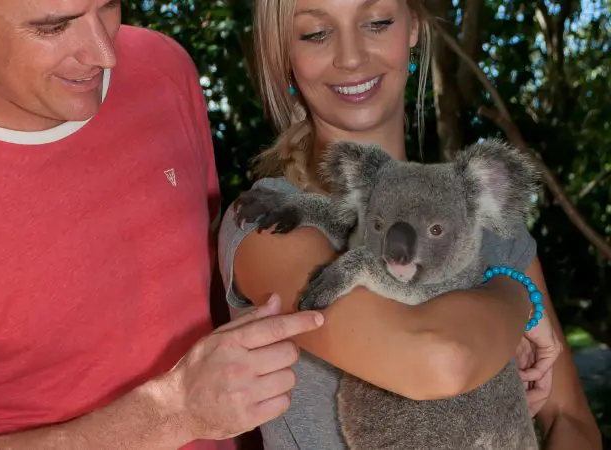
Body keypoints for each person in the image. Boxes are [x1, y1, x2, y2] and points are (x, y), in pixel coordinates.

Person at [0, 0, 326, 448]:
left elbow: (210, 290)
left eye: (108, 6)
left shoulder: (161, 68)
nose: (104, 54)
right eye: (54, 26)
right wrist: (174, 414)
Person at [218, 0, 602, 449]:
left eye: (377, 22)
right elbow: (438, 360)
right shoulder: (268, 219)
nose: (352, 57)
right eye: (315, 34)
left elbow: (571, 418)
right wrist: (518, 298)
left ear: (414, 27)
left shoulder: (490, 224)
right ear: (283, 52)